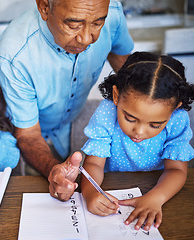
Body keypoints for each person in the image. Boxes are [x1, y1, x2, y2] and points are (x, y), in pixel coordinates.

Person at [0, 0, 134, 200]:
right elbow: (28, 135)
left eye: (97, 23)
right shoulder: (14, 54)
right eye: (73, 24)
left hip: (72, 128)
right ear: (44, 7)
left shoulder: (112, 12)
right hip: (29, 142)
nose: (87, 39)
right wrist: (54, 170)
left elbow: (127, 73)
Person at [80, 51, 194, 231]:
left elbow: (176, 170)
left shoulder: (178, 119)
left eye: (155, 124)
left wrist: (156, 198)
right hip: (111, 184)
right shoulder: (107, 112)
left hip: (158, 185)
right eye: (130, 119)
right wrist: (90, 192)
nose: (139, 132)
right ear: (116, 96)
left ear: (174, 109)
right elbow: (94, 163)